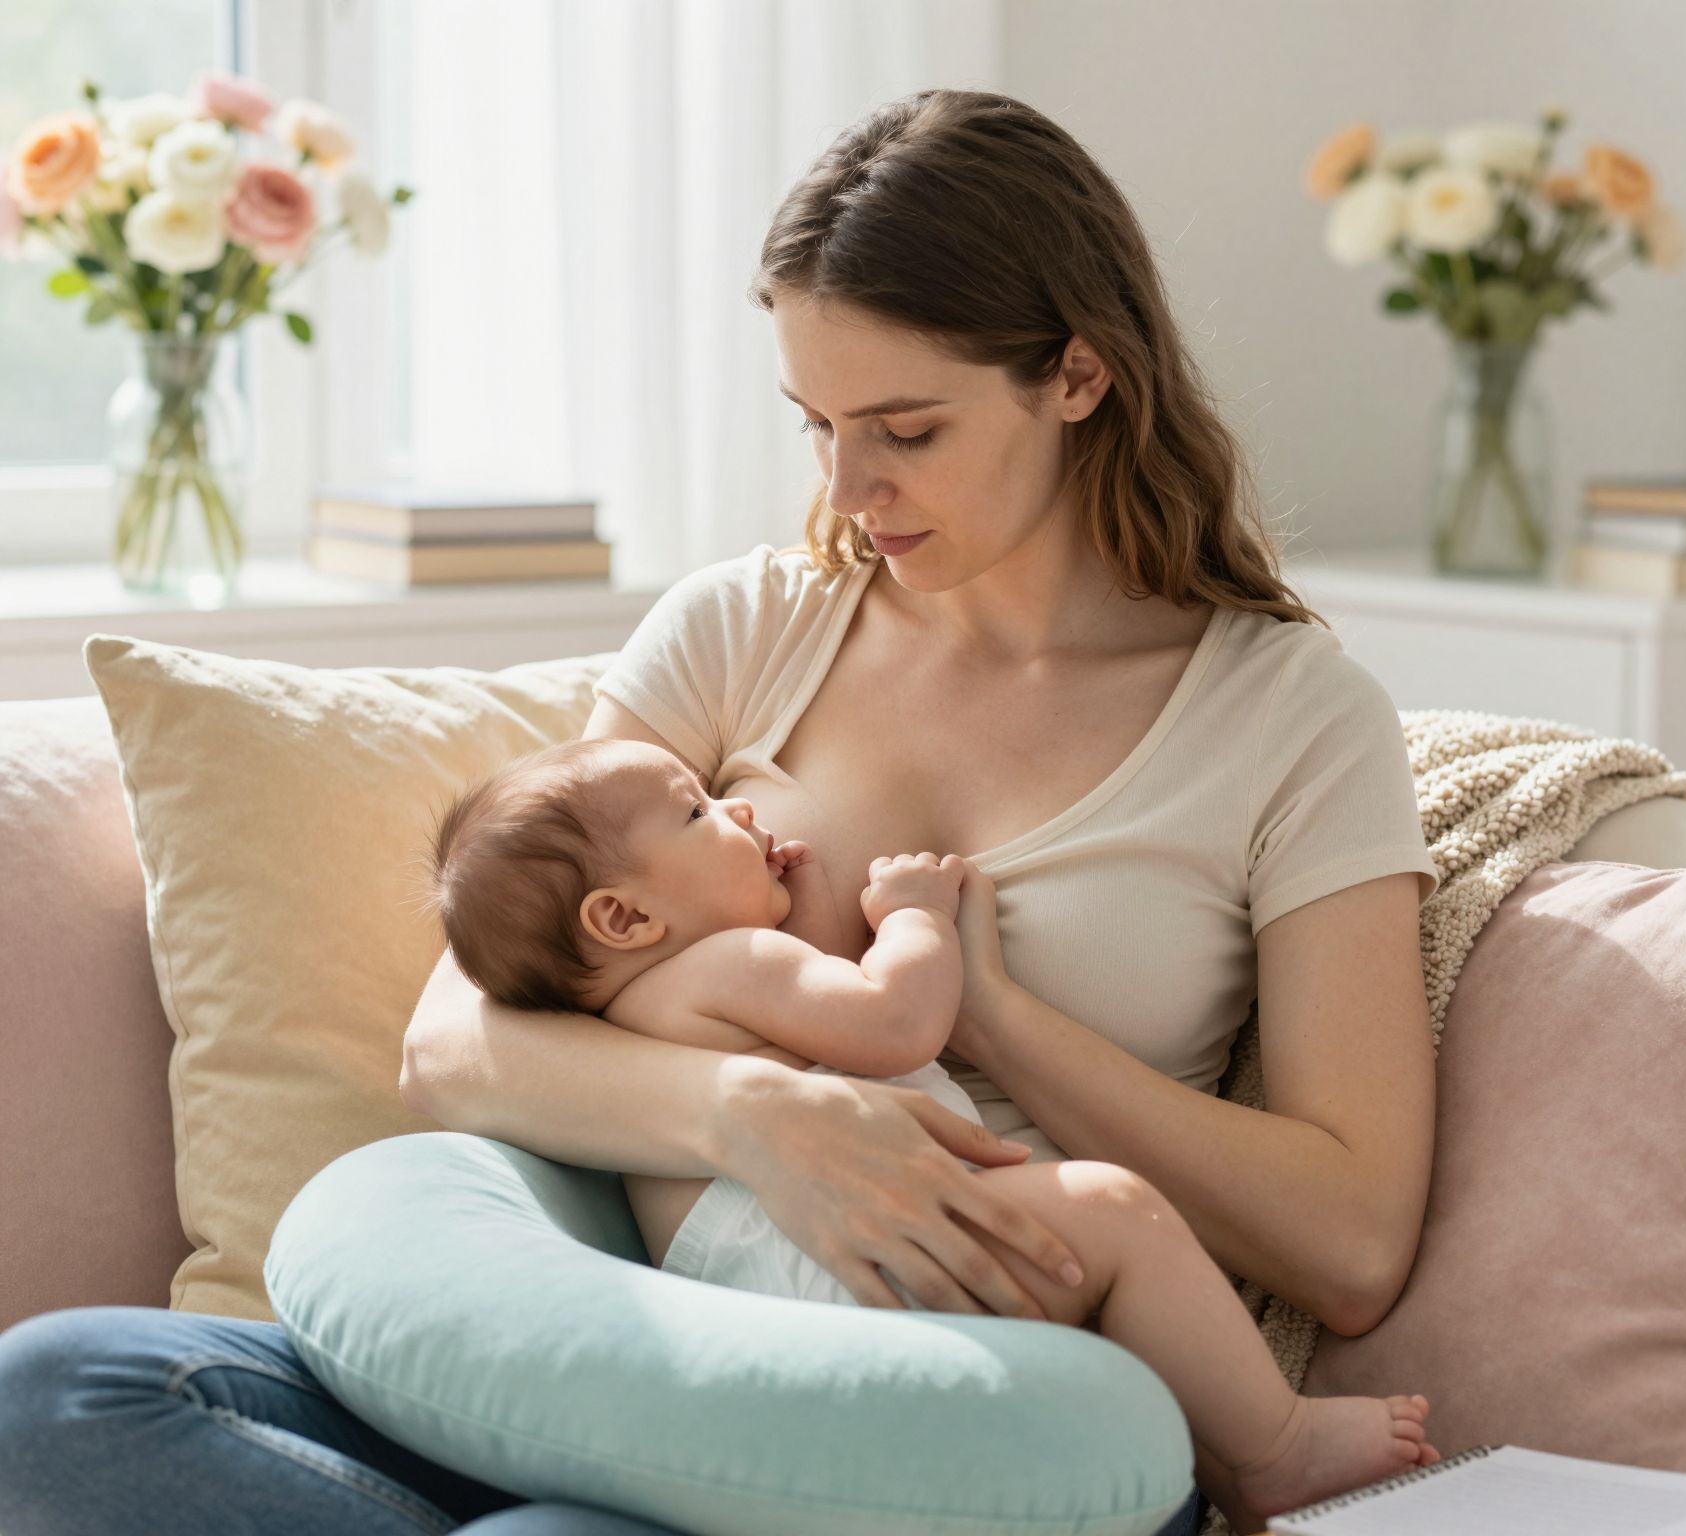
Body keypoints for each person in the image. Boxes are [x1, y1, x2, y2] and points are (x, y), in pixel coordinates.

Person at [0, 87, 1441, 1536]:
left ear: (1078, 374)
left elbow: (1352, 1239)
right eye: (815, 423)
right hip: (655, 1332)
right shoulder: (747, 629)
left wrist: (993, 1018)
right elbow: (457, 1037)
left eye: (906, 429)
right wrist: (760, 1115)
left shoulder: (1291, 717)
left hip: (972, 1410)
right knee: (65, 1390)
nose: (848, 486)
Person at [422, 737, 1443, 1531]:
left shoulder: (638, 1009)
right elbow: (896, 1024)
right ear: (624, 919)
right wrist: (909, 918)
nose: (734, 806)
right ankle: (1273, 1447)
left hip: (766, 1288)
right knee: (1115, 1213)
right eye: (695, 812)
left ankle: (1228, 1466)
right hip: (841, 1259)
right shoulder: (732, 961)